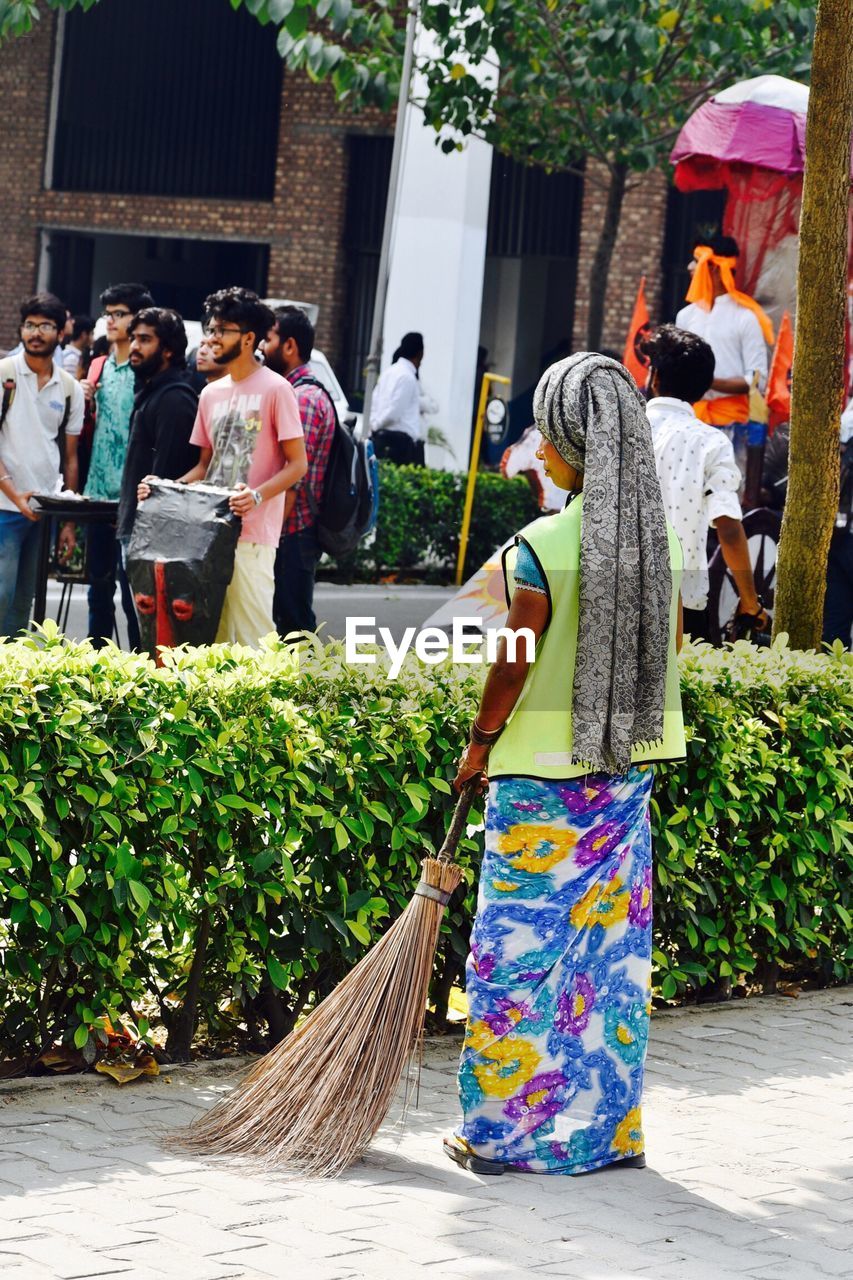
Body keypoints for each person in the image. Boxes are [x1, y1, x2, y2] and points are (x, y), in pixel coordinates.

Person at [444, 352, 685, 1176]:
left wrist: (477, 744)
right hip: (623, 776)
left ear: (571, 445)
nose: (539, 451)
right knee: (606, 960)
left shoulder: (541, 544)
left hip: (538, 782)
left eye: (547, 438)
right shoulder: (659, 545)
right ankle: (605, 1136)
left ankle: (499, 1136)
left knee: (514, 961)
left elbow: (511, 662)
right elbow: (667, 653)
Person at [141, 287, 306, 646]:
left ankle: (268, 702)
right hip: (207, 533)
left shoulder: (277, 389)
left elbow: (298, 465)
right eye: (211, 329)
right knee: (208, 637)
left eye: (221, 330)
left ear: (248, 339)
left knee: (253, 636)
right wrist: (164, 487)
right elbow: (204, 467)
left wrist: (257, 497)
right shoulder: (210, 393)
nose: (212, 338)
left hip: (253, 535)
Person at [644, 325, 769, 641]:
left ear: (654, 377)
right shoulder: (710, 443)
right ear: (703, 388)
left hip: (609, 593)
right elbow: (727, 527)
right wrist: (751, 603)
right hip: (682, 602)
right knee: (676, 689)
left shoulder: (617, 432)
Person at [0, 293, 84, 637]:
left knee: (24, 604)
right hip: (5, 506)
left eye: (45, 326)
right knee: (1, 595)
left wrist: (68, 521)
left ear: (60, 333)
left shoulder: (69, 388)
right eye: (30, 325)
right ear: (21, 329)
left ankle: (12, 681)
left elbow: (71, 457)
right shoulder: (4, 374)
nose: (36, 332)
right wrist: (15, 495)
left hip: (45, 508)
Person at [80, 282, 155, 646]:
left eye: (119, 314)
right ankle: (96, 668)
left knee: (132, 595)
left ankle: (136, 669)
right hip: (97, 494)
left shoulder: (145, 370)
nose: (110, 321)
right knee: (98, 588)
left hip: (134, 499)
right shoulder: (97, 366)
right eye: (108, 314)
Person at [262, 305, 335, 638]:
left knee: (292, 627)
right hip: (296, 531)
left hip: (293, 531)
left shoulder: (301, 398)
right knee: (291, 621)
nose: (263, 346)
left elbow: (294, 478)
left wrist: (274, 538)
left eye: (270, 338)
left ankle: (305, 689)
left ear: (289, 346)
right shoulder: (303, 392)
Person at [116, 309, 200, 591]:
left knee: (152, 631)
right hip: (137, 530)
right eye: (134, 339)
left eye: (144, 339)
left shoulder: (175, 400)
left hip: (154, 537)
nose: (135, 347)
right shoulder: (152, 391)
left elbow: (168, 478)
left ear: (167, 350)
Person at [676, 234, 773, 428]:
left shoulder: (746, 318)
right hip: (689, 420)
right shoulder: (685, 316)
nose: (689, 267)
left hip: (733, 424)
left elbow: (757, 381)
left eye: (696, 261)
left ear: (713, 268)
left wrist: (707, 381)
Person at [370, 332, 425, 465]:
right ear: (420, 353)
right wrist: (377, 425)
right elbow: (395, 412)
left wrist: (374, 426)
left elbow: (374, 401)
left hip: (382, 439)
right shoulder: (407, 377)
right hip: (401, 444)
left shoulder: (388, 372)